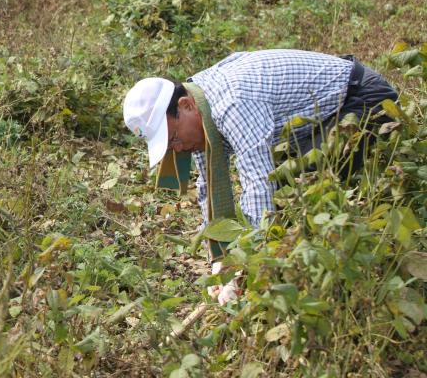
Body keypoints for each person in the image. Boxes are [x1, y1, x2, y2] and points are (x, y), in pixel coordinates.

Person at [123, 49, 398, 303]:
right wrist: (220, 259)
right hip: (319, 118)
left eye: (174, 139)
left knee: (294, 189)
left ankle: (327, 282)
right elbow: (209, 184)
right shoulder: (200, 105)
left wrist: (244, 268)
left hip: (363, 100)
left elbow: (259, 183)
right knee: (286, 187)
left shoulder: (233, 102)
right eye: (170, 146)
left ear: (184, 105)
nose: (178, 149)